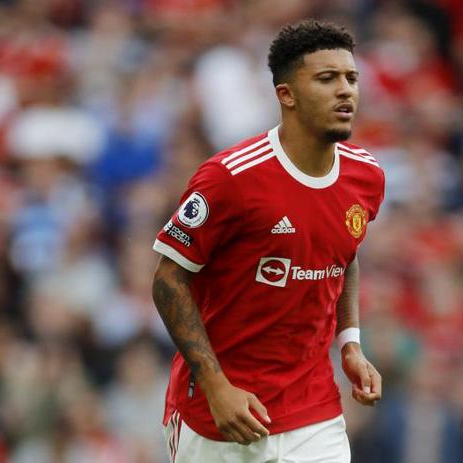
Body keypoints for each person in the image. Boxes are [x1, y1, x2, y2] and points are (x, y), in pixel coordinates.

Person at [151, 19, 385, 463]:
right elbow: (168, 281)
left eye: (351, 78)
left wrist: (350, 344)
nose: (345, 91)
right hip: (219, 415)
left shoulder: (366, 175)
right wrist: (216, 386)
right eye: (327, 79)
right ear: (286, 95)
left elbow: (344, 255)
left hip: (313, 412)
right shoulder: (230, 178)